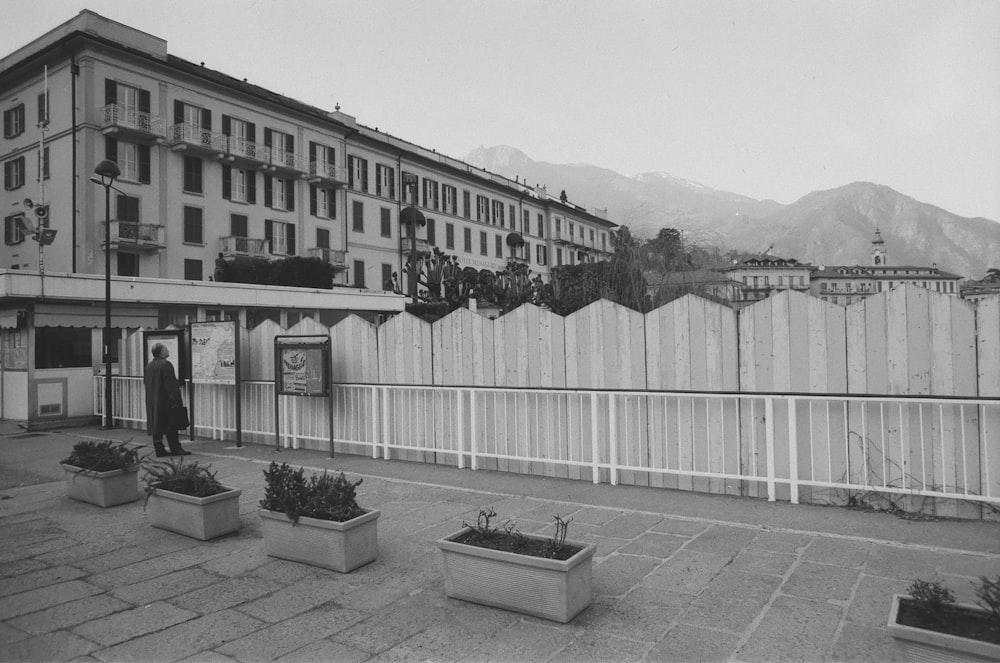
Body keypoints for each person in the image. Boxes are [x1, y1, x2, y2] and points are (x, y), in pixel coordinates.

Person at [144, 343, 190, 457]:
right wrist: (176, 400)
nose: (167, 350)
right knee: (171, 425)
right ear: (161, 352)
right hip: (166, 400)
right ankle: (176, 448)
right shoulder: (166, 364)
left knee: (157, 426)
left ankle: (159, 449)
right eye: (165, 349)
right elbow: (171, 385)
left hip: (153, 400)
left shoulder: (149, 366)